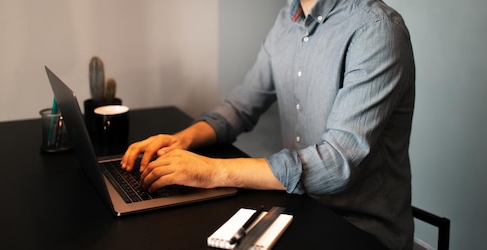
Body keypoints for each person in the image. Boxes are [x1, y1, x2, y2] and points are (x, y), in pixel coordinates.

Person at [121, 0, 415, 249]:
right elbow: (241, 106)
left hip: (360, 230)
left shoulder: (377, 30)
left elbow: (336, 164)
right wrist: (182, 140)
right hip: (299, 206)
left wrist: (211, 171)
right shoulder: (287, 18)